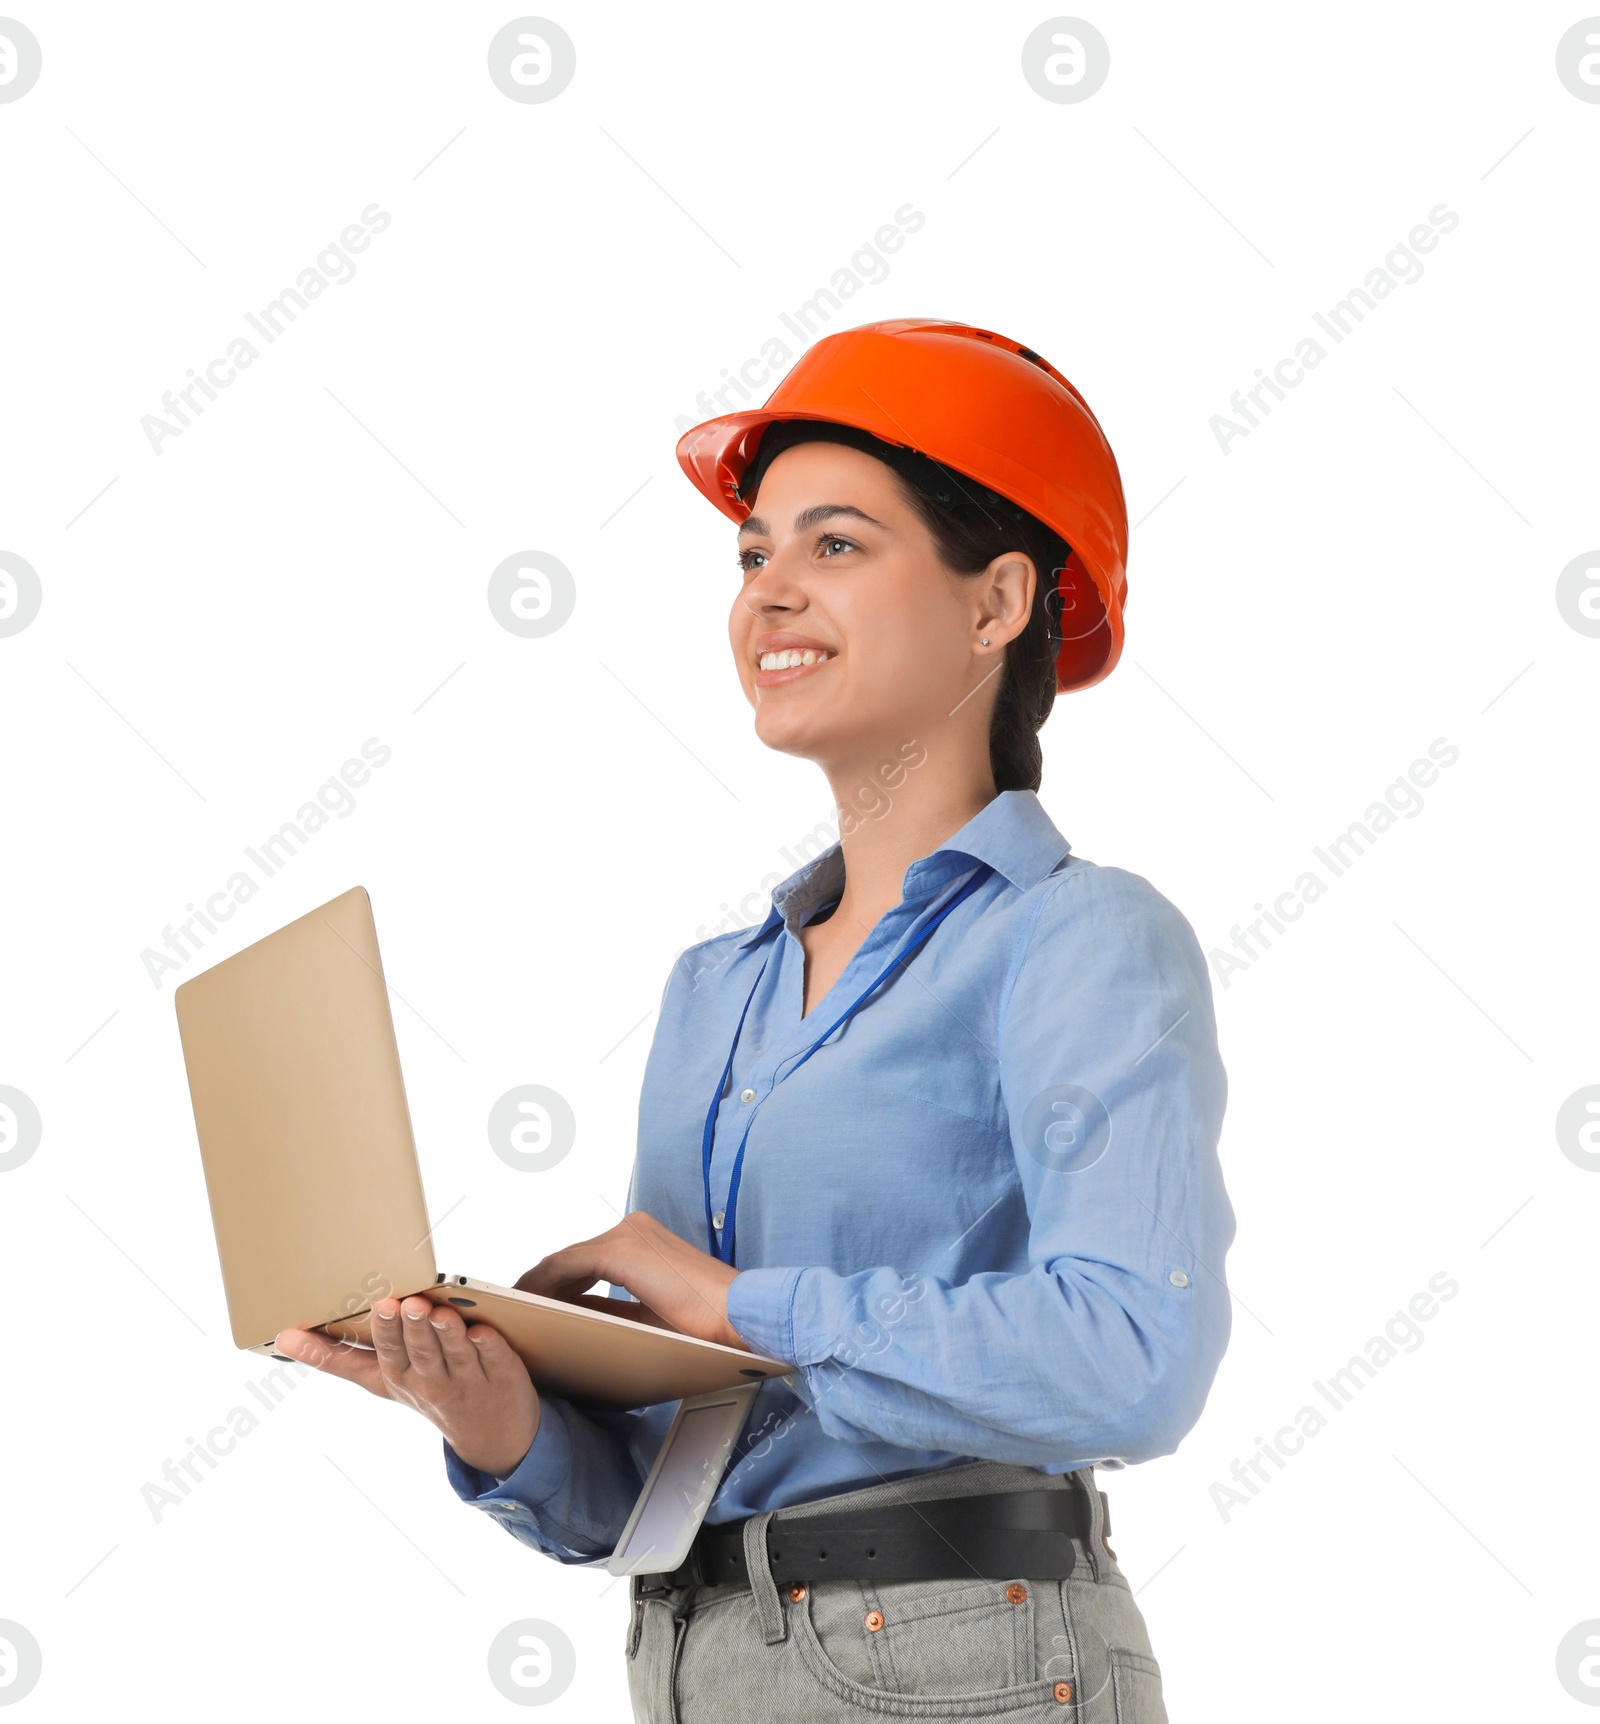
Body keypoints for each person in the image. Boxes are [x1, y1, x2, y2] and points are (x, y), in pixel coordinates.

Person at [277, 319, 1235, 1722]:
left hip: (964, 1652)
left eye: (834, 547)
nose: (768, 594)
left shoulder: (1078, 939)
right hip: (698, 1656)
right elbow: (671, 1475)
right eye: (751, 557)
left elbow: (1137, 1362)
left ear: (999, 601)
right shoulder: (712, 991)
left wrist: (737, 1302)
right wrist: (503, 1422)